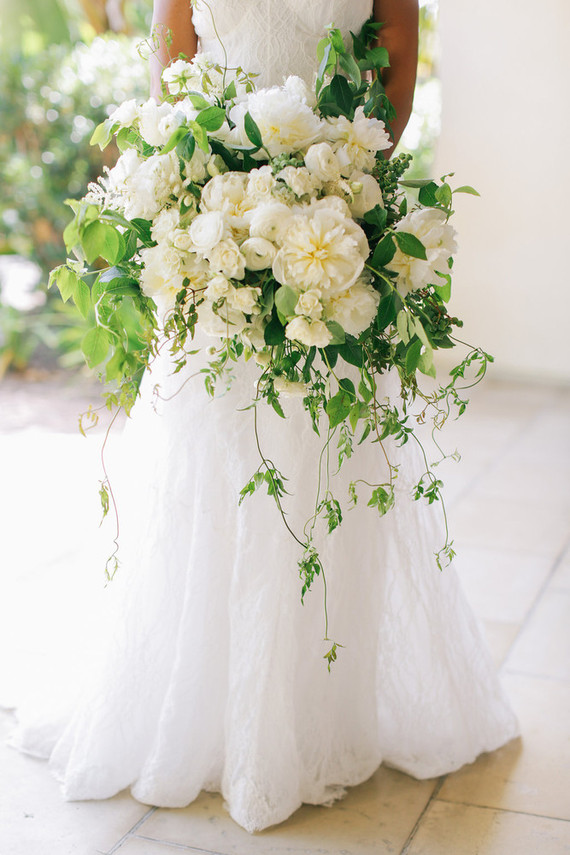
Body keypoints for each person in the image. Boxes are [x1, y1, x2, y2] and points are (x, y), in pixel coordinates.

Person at [8, 0, 519, 834]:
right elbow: (168, 71)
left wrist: (339, 184)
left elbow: (394, 72)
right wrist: (202, 192)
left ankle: (314, 716)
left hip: (330, 217)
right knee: (208, 471)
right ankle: (198, 706)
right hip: (210, 230)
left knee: (324, 468)